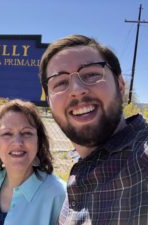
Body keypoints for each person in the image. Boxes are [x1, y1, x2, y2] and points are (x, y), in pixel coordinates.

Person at [39, 34, 148, 224]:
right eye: (60, 82)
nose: (76, 89)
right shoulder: (73, 184)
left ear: (121, 86)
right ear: (49, 101)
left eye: (91, 74)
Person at [0, 99, 66, 225]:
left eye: (26, 133)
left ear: (38, 141)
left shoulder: (60, 195)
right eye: (7, 134)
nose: (17, 142)